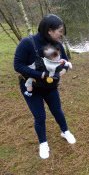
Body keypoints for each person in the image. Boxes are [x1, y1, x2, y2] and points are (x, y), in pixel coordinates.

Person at [14, 14, 76, 159]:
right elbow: (18, 65)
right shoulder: (27, 43)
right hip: (31, 87)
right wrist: (40, 75)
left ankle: (65, 131)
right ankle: (43, 143)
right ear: (49, 30)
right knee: (40, 117)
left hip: (49, 87)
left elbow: (65, 60)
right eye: (59, 31)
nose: (61, 35)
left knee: (57, 110)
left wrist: (62, 72)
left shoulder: (56, 44)